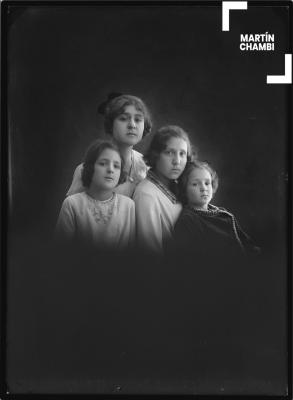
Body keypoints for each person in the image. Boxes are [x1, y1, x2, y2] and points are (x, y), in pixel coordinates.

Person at [66, 93, 152, 198]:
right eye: (123, 119)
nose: (132, 125)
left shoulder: (148, 168)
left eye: (138, 119)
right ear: (110, 124)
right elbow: (74, 209)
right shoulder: (87, 170)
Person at [56, 140, 135, 249]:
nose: (110, 170)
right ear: (90, 167)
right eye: (103, 164)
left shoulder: (128, 205)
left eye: (116, 166)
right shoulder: (72, 204)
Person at [173, 160, 260, 257]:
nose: (203, 188)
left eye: (207, 183)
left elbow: (246, 243)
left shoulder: (223, 214)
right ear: (184, 190)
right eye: (195, 184)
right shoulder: (188, 220)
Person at [133, 125, 193, 254]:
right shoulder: (146, 195)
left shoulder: (179, 187)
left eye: (182, 154)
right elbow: (150, 255)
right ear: (156, 155)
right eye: (169, 153)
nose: (177, 161)